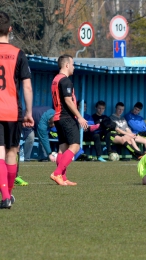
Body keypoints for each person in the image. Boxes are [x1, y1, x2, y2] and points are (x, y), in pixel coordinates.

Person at [0, 11, 34, 209]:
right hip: (13, 110)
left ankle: (4, 196)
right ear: (10, 29)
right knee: (12, 152)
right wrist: (28, 112)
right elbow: (27, 86)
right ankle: (8, 195)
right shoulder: (18, 54)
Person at [50, 54, 88, 186]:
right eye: (73, 64)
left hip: (58, 117)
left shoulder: (55, 79)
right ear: (66, 65)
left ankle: (63, 178)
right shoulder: (65, 81)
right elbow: (68, 100)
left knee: (63, 148)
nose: (74, 67)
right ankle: (57, 173)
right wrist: (79, 116)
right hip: (66, 117)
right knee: (75, 146)